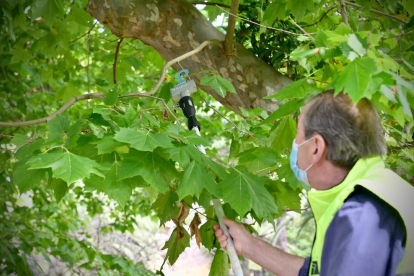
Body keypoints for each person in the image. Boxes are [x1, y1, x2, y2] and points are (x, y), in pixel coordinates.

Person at [214, 91, 414, 276]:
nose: (294, 146)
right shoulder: (378, 190)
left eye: (298, 136)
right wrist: (250, 246)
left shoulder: (363, 214)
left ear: (316, 148)